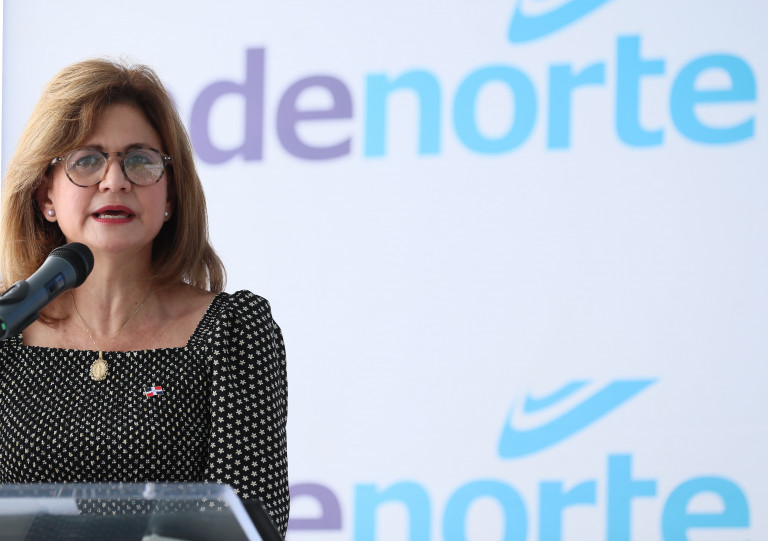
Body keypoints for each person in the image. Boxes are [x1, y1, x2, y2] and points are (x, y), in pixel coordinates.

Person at [0, 59, 289, 535]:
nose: (114, 180)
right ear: (45, 195)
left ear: (170, 195)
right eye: (86, 160)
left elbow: (250, 526)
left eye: (140, 160)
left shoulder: (233, 331)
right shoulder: (7, 331)